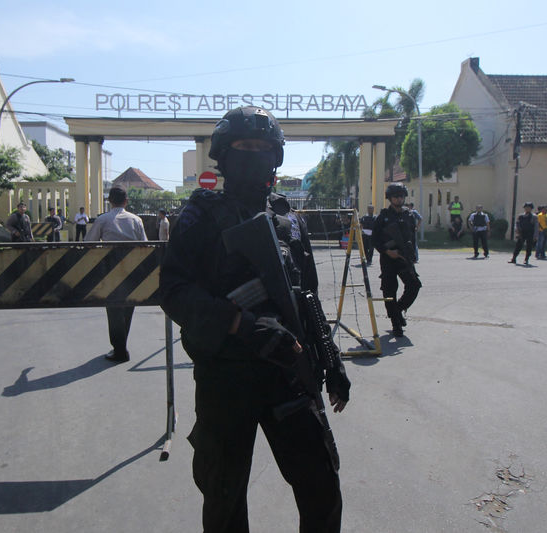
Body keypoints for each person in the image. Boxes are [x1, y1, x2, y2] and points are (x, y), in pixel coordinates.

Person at [159, 106, 349, 533]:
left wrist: (330, 357)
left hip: (289, 372)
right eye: (245, 147)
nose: (255, 155)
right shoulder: (200, 216)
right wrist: (240, 324)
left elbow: (307, 297)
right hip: (227, 376)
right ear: (224, 156)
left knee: (322, 487)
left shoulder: (289, 221)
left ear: (276, 158)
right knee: (225, 498)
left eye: (264, 148)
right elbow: (172, 290)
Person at [85, 186, 147, 362]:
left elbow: (89, 243)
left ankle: (119, 349)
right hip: (132, 271)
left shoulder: (103, 220)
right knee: (128, 308)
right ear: (126, 201)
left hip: (109, 272)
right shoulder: (136, 220)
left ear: (109, 201)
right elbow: (145, 245)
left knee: (113, 310)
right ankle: (121, 346)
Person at [373, 183, 422, 337]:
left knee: (414, 285)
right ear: (390, 198)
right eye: (396, 196)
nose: (399, 199)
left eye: (401, 196)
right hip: (389, 259)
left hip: (404, 258)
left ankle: (398, 310)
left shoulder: (408, 215)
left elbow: (412, 237)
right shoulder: (383, 217)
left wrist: (413, 255)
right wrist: (387, 251)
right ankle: (396, 323)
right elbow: (374, 239)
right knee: (389, 291)